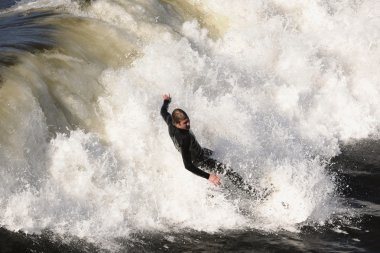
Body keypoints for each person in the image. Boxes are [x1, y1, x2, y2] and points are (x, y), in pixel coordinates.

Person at [160, 94, 256, 192]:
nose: (188, 124)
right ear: (177, 123)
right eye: (185, 123)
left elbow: (163, 111)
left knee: (217, 155)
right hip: (200, 160)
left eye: (188, 121)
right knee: (229, 171)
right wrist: (209, 176)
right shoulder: (184, 139)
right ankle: (254, 193)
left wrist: (166, 102)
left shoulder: (169, 121)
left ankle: (227, 186)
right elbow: (188, 165)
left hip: (201, 151)